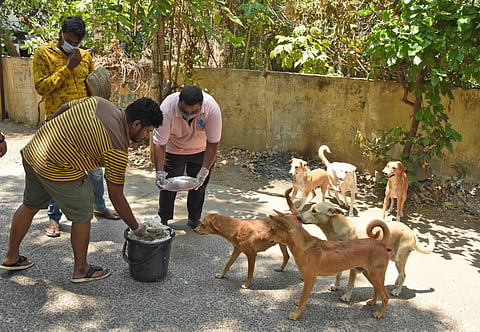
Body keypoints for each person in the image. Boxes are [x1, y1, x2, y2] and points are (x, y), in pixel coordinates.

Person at [0, 96, 163, 283]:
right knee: (83, 213)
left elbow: (62, 108)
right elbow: (116, 196)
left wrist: (56, 135)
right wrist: (136, 228)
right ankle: (81, 269)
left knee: (29, 205)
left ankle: (11, 257)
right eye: (147, 131)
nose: (145, 136)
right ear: (136, 124)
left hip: (35, 150)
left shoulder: (100, 103)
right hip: (57, 165)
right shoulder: (117, 147)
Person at [33, 16, 119, 238]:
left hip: (85, 121)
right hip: (57, 123)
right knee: (58, 172)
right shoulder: (43, 54)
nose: (75, 46)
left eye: (79, 42)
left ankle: (99, 205)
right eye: (71, 41)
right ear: (62, 33)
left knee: (95, 171)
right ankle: (54, 218)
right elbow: (42, 87)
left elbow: (90, 86)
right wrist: (67, 68)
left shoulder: (86, 56)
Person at [153, 85, 222, 228]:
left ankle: (194, 218)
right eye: (185, 111)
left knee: (199, 186)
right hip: (174, 150)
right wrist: (159, 172)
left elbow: (213, 142)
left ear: (201, 105)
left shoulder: (212, 108)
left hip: (201, 150)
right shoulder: (166, 108)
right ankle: (163, 218)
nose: (189, 114)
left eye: (195, 111)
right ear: (179, 102)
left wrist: (205, 170)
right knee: (167, 186)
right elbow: (159, 144)